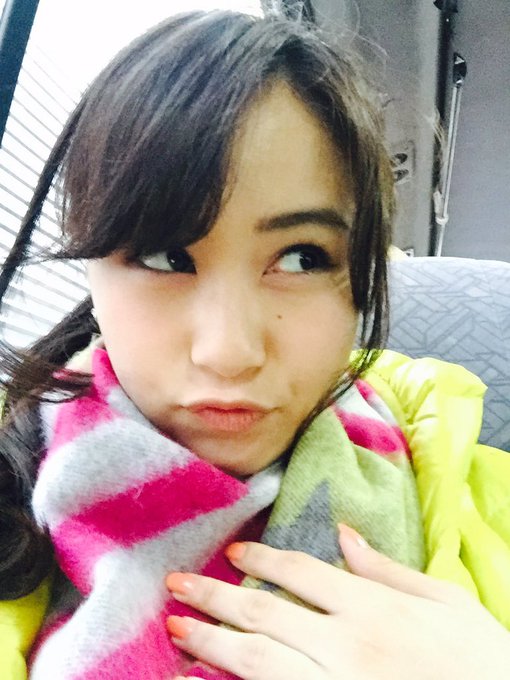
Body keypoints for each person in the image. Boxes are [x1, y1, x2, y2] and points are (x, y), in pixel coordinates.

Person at [0, 9, 509, 680]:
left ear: (363, 275)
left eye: (301, 258)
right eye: (165, 257)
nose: (229, 352)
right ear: (91, 274)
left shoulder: (492, 504)